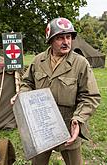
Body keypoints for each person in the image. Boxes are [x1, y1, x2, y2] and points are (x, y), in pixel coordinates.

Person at [11, 17, 101, 165]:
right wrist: (22, 94)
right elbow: (28, 82)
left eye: (68, 37)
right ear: (50, 40)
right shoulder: (38, 61)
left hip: (68, 125)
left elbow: (90, 96)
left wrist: (78, 119)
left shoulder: (80, 63)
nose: (66, 42)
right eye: (60, 38)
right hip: (41, 125)